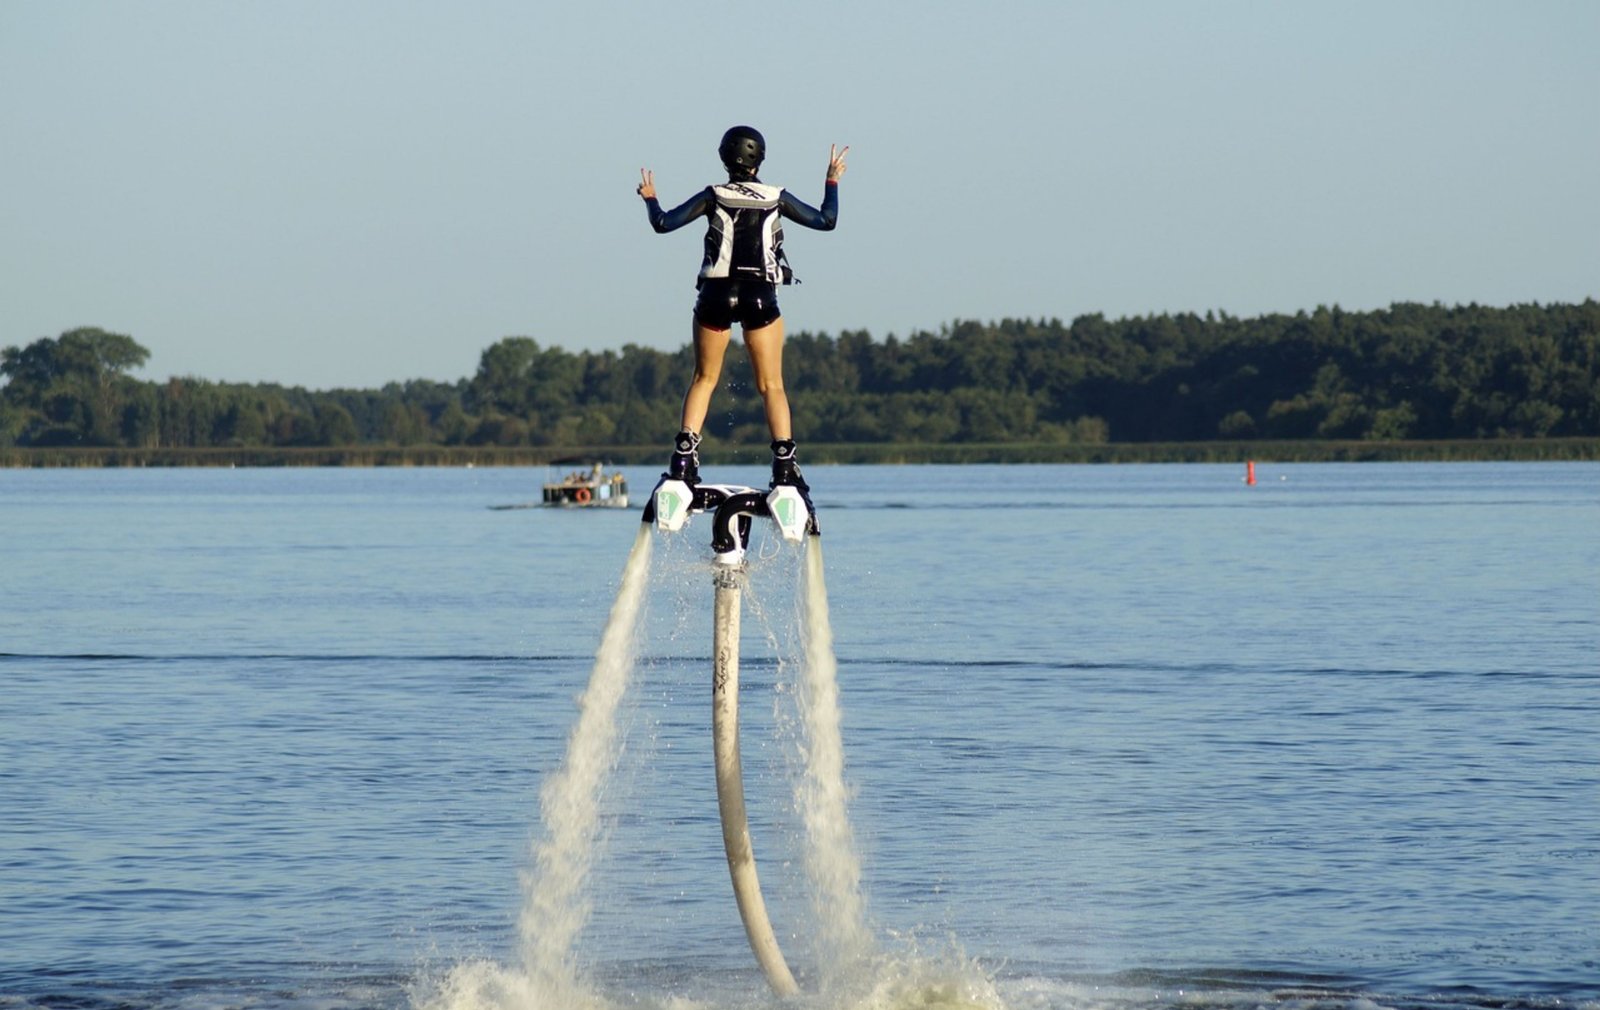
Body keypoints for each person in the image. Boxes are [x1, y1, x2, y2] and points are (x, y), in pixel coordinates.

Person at [637, 125, 848, 497]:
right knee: (771, 385)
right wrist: (831, 181)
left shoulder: (712, 195)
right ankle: (784, 465)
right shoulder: (775, 196)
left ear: (723, 157)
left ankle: (684, 459)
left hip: (716, 294)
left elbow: (663, 223)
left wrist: (650, 197)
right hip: (759, 295)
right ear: (759, 158)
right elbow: (825, 221)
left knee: (704, 379)